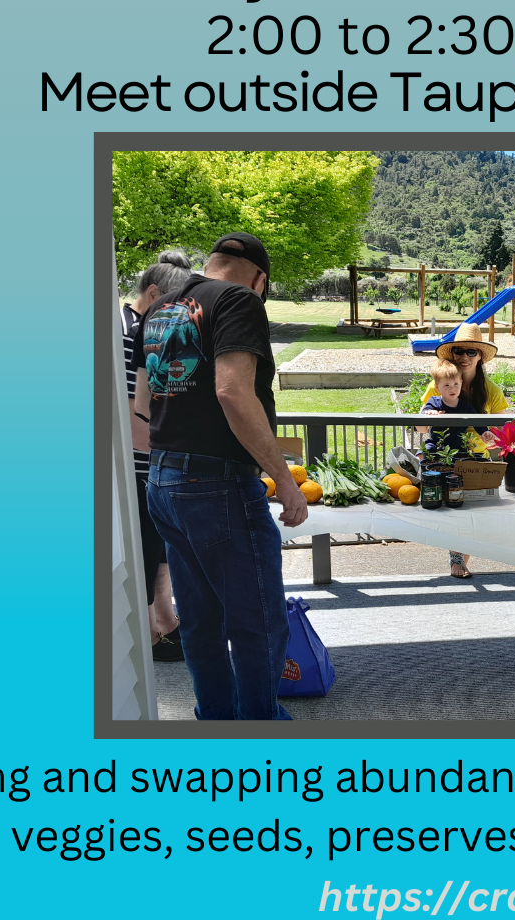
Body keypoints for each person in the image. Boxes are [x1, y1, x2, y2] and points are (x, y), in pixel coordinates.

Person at [132, 233, 308, 720]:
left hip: (162, 480)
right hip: (219, 482)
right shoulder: (239, 300)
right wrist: (285, 480)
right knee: (259, 621)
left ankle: (215, 716)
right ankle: (258, 724)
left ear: (212, 263)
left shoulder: (159, 307)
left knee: (201, 619)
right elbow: (233, 392)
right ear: (260, 279)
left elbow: (144, 404)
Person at [121, 250, 192, 661]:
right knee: (146, 549)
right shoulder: (124, 330)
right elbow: (130, 409)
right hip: (137, 464)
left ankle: (165, 620)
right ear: (152, 293)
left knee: (160, 548)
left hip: (152, 460)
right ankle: (150, 632)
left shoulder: (147, 327)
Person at [420, 323, 506, 578]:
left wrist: (493, 438)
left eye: (472, 352)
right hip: (443, 458)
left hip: (475, 459)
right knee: (450, 510)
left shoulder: (490, 390)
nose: (465, 357)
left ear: (480, 357)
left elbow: (502, 427)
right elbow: (423, 426)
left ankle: (458, 560)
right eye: (459, 350)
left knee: (470, 515)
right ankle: (457, 559)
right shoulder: (436, 387)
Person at [421, 360, 482, 458]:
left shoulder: (465, 405)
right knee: (424, 453)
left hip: (458, 447)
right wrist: (429, 412)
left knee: (463, 461)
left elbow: (477, 421)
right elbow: (425, 411)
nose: (452, 389)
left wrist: (484, 432)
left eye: (456, 384)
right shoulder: (434, 402)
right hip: (436, 444)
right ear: (437, 387)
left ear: (461, 383)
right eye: (447, 385)